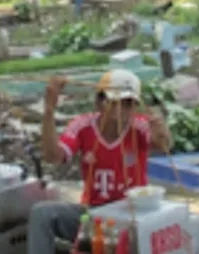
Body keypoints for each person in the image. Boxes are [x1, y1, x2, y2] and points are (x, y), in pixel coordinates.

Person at [27, 69, 173, 254]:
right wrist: (49, 111)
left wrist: (162, 131)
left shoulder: (140, 126)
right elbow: (53, 157)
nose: (121, 110)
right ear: (100, 102)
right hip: (94, 214)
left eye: (128, 103)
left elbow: (162, 144)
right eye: (114, 102)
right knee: (42, 214)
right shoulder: (82, 126)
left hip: (131, 217)